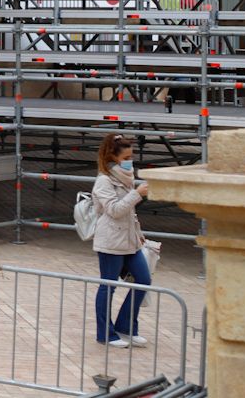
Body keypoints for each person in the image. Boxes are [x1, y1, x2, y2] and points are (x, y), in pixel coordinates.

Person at [92, 132, 151, 348]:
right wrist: (137, 194)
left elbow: (129, 213)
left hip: (130, 240)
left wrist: (138, 233)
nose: (129, 161)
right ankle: (105, 333)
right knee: (108, 285)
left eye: (130, 157)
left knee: (144, 280)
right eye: (125, 158)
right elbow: (115, 210)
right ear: (113, 157)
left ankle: (126, 326)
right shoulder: (103, 181)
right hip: (110, 241)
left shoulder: (127, 178)